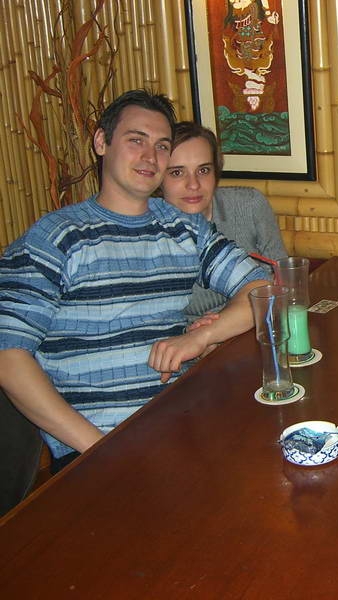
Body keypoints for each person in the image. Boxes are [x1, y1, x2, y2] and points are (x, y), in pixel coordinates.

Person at [0, 90, 269, 469]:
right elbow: (9, 357)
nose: (150, 157)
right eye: (136, 140)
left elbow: (262, 289)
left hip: (187, 427)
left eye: (161, 146)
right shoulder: (56, 237)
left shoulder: (184, 228)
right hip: (97, 446)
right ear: (101, 142)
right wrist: (101, 449)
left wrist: (201, 337)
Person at [159, 121, 287, 320]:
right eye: (177, 172)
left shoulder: (249, 205)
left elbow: (282, 280)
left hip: (258, 324)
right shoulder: (149, 233)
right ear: (158, 179)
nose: (193, 184)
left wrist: (222, 322)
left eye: (203, 170)